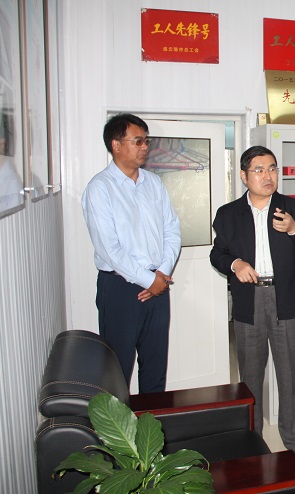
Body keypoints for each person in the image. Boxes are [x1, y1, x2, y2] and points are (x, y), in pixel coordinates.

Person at [209, 145, 295, 466]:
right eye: (259, 170)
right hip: (250, 298)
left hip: (287, 299)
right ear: (244, 176)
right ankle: (251, 438)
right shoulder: (228, 214)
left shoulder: (293, 208)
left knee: (291, 373)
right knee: (251, 376)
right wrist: (235, 264)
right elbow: (218, 253)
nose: (268, 175)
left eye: (272, 168)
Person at [82, 113, 181, 393]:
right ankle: (120, 425)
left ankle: (152, 422)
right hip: (121, 289)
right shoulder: (100, 188)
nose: (145, 147)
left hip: (158, 284)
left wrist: (161, 274)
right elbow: (109, 249)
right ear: (116, 145)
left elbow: (172, 230)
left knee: (155, 368)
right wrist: (148, 280)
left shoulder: (154, 183)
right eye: (138, 141)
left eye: (146, 141)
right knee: (117, 371)